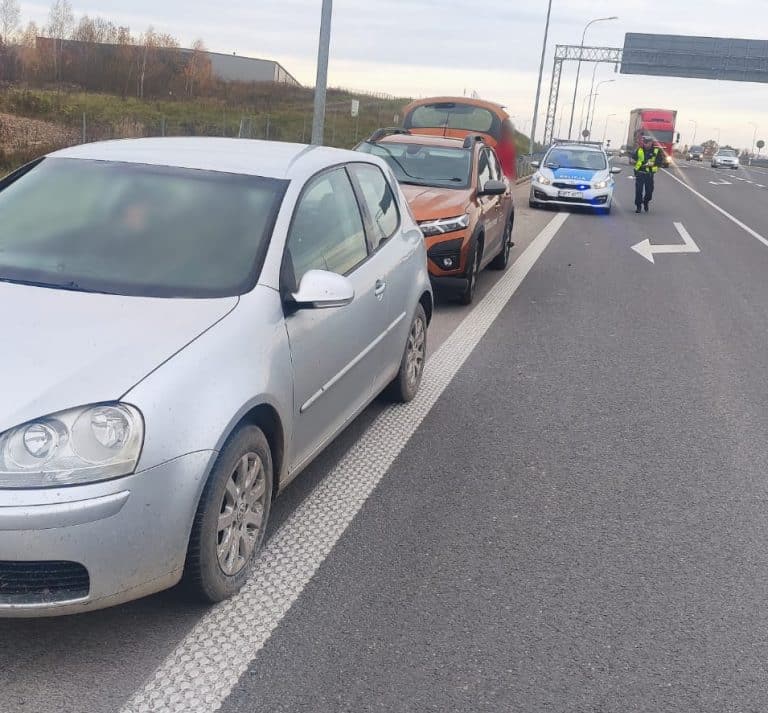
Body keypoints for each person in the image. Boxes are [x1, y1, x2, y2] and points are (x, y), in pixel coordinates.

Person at [633, 135, 661, 213]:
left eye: (647, 143)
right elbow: (634, 158)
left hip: (649, 174)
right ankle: (638, 206)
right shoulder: (639, 150)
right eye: (644, 142)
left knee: (649, 192)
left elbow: (659, 162)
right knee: (638, 191)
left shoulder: (656, 151)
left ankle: (646, 202)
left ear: (651, 142)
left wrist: (652, 165)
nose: (645, 144)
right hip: (640, 173)